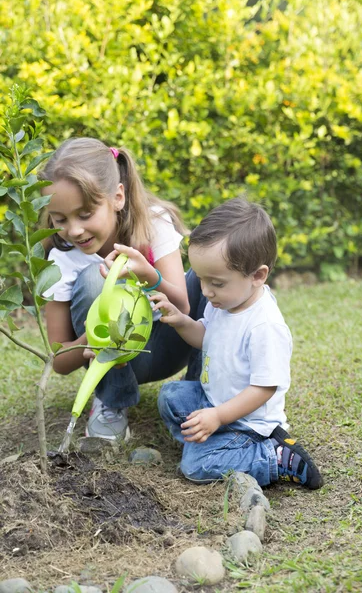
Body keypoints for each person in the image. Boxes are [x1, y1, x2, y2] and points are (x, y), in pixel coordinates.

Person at [150, 198, 323, 489]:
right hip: (215, 402)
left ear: (258, 276)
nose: (205, 291)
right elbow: (207, 338)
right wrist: (180, 320)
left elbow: (264, 388)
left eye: (216, 283)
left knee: (195, 466)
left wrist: (218, 416)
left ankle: (274, 457)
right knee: (171, 396)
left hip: (249, 423)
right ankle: (213, 442)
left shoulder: (264, 325)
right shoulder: (222, 304)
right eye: (202, 280)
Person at [40, 137, 205, 442]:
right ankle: (112, 402)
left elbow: (183, 307)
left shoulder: (153, 224)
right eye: (60, 219)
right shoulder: (62, 259)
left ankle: (201, 392)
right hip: (115, 360)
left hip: (169, 345)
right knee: (95, 278)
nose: (74, 230)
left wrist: (150, 275)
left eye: (85, 214)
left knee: (208, 276)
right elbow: (60, 360)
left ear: (117, 197)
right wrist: (94, 335)